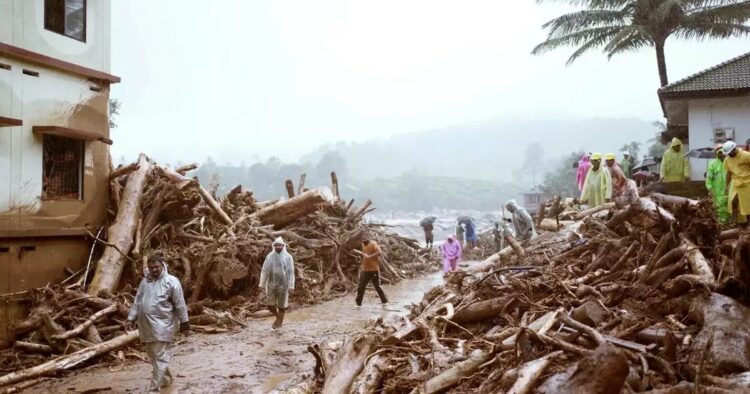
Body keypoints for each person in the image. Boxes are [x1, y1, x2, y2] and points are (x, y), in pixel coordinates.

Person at [126, 255, 189, 392]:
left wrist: (185, 322)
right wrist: (131, 318)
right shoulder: (145, 282)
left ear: (163, 265)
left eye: (157, 267)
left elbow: (180, 303)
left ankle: (154, 388)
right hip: (146, 326)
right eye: (151, 267)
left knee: (159, 355)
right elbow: (137, 301)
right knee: (153, 355)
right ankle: (166, 380)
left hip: (163, 325)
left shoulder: (171, 281)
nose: (154, 270)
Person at [259, 237, 295, 329]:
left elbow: (291, 272)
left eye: (280, 245)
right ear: (274, 246)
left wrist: (291, 286)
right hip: (271, 283)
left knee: (282, 305)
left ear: (283, 246)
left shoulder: (288, 257)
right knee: (270, 305)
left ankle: (279, 323)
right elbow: (264, 271)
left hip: (283, 284)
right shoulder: (269, 256)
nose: (278, 247)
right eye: (276, 245)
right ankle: (278, 318)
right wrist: (261, 284)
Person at [355, 236, 388, 307]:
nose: (363, 240)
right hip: (365, 269)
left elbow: (379, 252)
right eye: (362, 239)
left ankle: (385, 302)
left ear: (367, 238)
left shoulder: (373, 243)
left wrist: (369, 257)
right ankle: (358, 304)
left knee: (377, 287)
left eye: (364, 238)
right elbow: (364, 255)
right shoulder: (363, 244)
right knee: (361, 286)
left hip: (374, 270)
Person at [723, 141, 750, 225]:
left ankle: (748, 223)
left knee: (747, 205)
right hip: (736, 182)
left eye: (730, 152)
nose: (729, 154)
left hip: (747, 183)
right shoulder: (727, 159)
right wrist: (726, 186)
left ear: (734, 149)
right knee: (733, 201)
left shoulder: (746, 155)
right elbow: (729, 173)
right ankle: (736, 221)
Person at [705, 145, 729, 224]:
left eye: (722, 153)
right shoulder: (712, 164)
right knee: (719, 209)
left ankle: (729, 224)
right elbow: (709, 178)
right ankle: (721, 225)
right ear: (716, 154)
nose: (721, 155)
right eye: (719, 153)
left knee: (729, 208)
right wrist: (709, 188)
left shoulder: (729, 162)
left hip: (728, 189)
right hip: (717, 191)